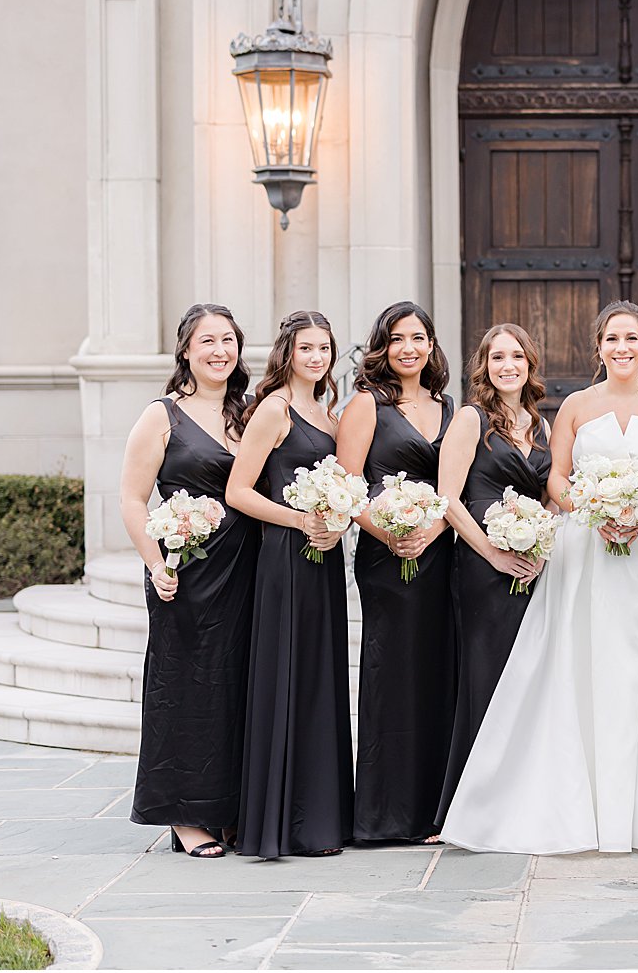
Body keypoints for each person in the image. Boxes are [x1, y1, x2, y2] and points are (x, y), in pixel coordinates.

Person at [439, 300, 638, 855]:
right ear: (599, 347)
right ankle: (574, 804)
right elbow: (558, 479)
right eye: (612, 339)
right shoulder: (574, 407)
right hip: (587, 547)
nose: (622, 348)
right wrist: (596, 511)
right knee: (584, 665)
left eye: (631, 338)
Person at [120, 304, 259, 858]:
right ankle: (184, 814)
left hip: (247, 571)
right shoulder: (162, 416)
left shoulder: (247, 413)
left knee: (236, 686)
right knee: (186, 687)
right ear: (185, 350)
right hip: (186, 574)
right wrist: (156, 564)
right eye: (207, 341)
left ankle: (226, 807)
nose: (219, 350)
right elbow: (132, 499)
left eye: (228, 340)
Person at [228, 311, 353, 858]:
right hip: (284, 556)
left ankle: (319, 822)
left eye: (324, 348)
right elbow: (240, 491)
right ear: (287, 352)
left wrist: (336, 521)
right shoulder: (273, 410)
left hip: (323, 558)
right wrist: (301, 520)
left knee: (320, 678)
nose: (317, 357)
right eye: (307, 348)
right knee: (288, 675)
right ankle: (280, 823)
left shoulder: (327, 415)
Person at [336, 301, 456, 844]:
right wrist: (388, 532)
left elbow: (456, 488)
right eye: (399, 338)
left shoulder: (450, 407)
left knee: (438, 673)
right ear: (382, 346)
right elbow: (347, 484)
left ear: (432, 345)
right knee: (391, 673)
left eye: (420, 337)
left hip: (441, 554)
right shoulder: (367, 405)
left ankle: (435, 811)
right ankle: (384, 814)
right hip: (386, 556)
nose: (410, 347)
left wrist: (431, 531)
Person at [434, 324, 553, 823]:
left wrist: (543, 547)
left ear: (530, 364)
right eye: (498, 357)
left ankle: (524, 797)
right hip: (483, 568)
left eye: (518, 356)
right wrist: (492, 554)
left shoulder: (542, 426)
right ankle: (475, 807)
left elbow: (549, 495)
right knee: (486, 678)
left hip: (534, 566)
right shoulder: (470, 419)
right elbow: (448, 498)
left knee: (531, 679)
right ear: (483, 365)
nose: (509, 365)